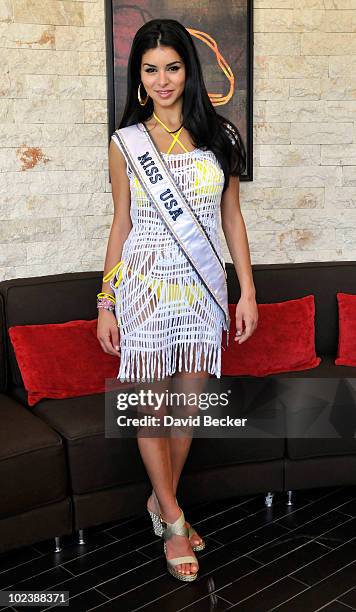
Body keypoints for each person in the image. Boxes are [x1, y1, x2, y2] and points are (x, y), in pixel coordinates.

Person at [97, 18, 258, 582]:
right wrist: (105, 301)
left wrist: (247, 291)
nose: (162, 80)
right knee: (152, 408)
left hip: (201, 290)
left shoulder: (222, 136)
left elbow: (232, 218)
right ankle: (171, 518)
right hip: (142, 287)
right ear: (137, 78)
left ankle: (159, 500)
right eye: (150, 69)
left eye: (171, 66)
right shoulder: (126, 143)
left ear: (188, 70)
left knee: (189, 408)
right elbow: (122, 223)